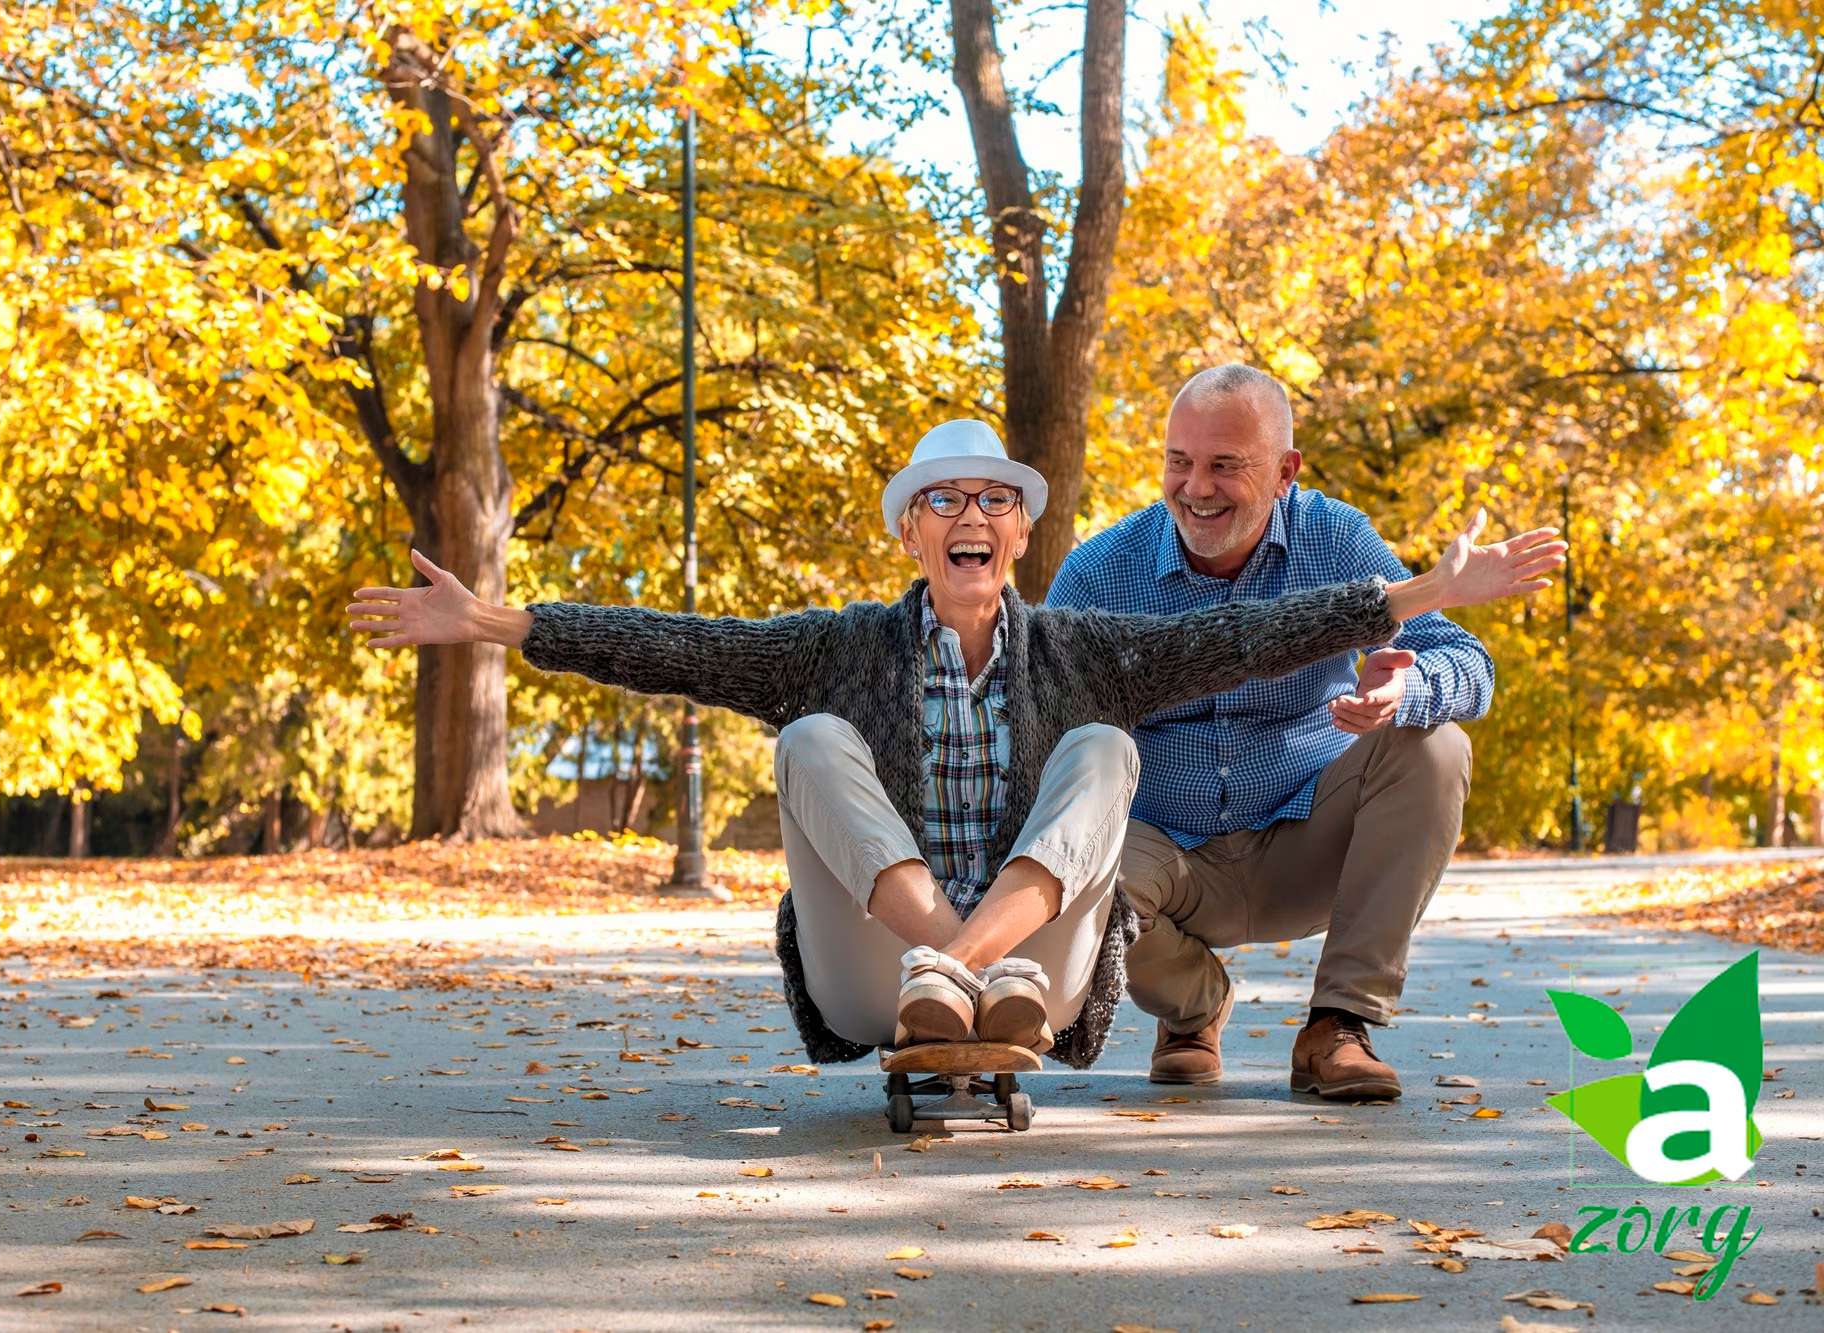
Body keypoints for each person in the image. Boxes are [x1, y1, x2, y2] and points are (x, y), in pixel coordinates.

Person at [347, 419, 1563, 1069]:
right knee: (814, 738)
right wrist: (495, 621)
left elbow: (1258, 634)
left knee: (1100, 750)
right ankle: (949, 963)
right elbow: (672, 644)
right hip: (880, 972)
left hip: (1040, 976)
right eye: (942, 501)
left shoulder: (1085, 648)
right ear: (909, 537)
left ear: (1020, 537)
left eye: (992, 501)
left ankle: (980, 969)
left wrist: (1408, 595)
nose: (968, 516)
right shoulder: (838, 647)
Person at [1045, 362, 1516, 1099]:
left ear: (1285, 471)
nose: (1196, 488)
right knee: (1063, 857)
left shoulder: (1336, 540)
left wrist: (1406, 687)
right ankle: (1193, 1007)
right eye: (1180, 461)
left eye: (1226, 466)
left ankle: (1338, 1025)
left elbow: (1469, 664)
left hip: (1308, 840)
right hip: (1165, 856)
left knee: (1437, 743)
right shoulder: (1101, 571)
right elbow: (1042, 731)